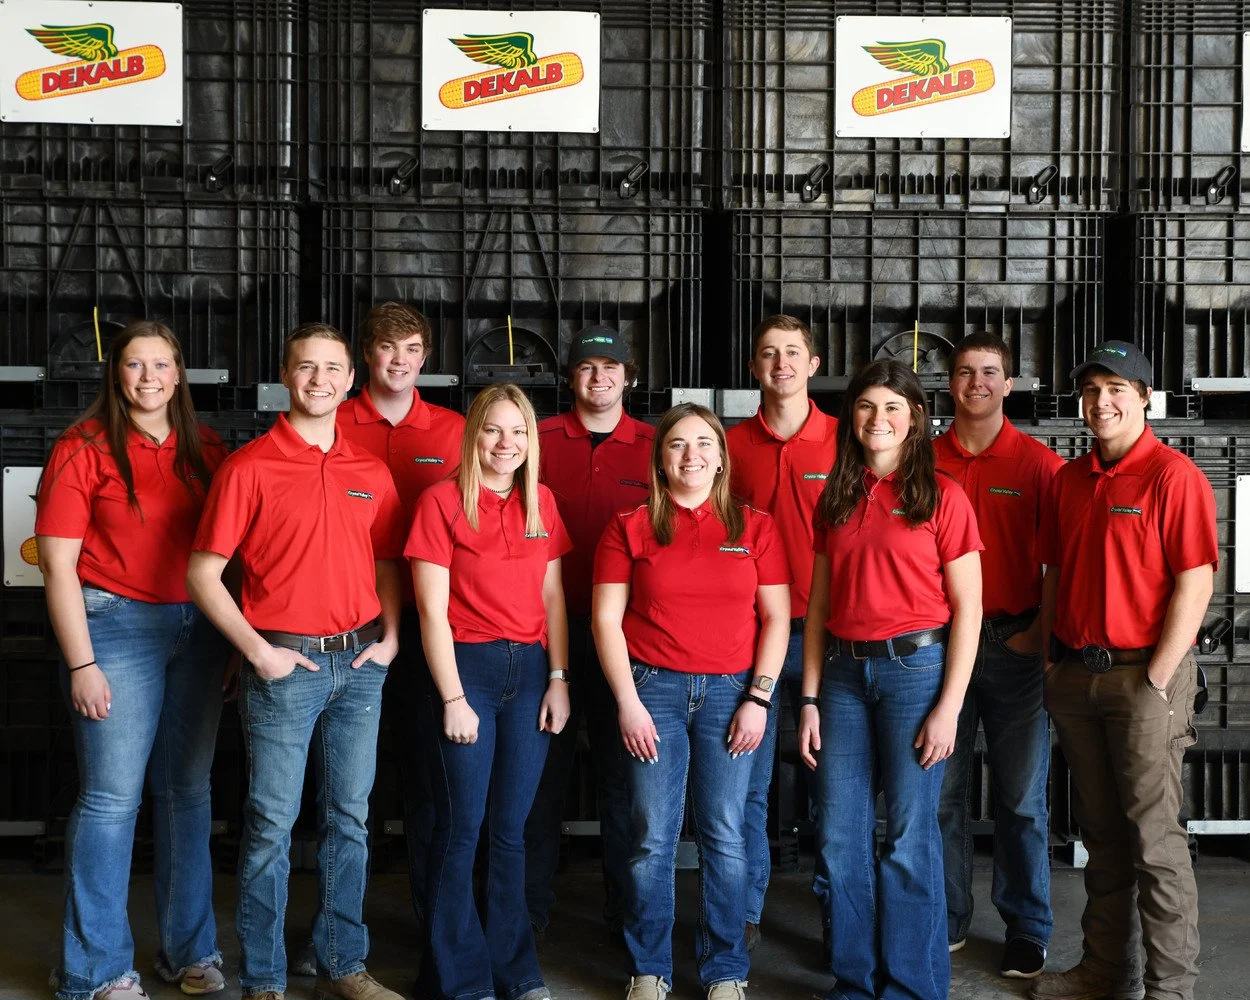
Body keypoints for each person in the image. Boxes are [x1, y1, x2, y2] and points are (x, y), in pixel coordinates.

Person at [186, 323, 406, 1000]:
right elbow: (202, 571)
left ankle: (345, 965)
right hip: (285, 666)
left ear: (350, 379)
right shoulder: (249, 467)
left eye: (333, 369)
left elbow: (387, 559)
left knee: (349, 820)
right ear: (288, 375)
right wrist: (256, 650)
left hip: (360, 664)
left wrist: (392, 637)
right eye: (307, 368)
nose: (320, 380)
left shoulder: (369, 469)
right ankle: (266, 979)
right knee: (271, 826)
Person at [37, 320, 231, 1000]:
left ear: (179, 374)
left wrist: (231, 641)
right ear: (115, 375)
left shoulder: (205, 447)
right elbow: (57, 568)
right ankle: (94, 970)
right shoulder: (81, 448)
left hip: (197, 633)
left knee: (188, 793)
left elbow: (226, 556)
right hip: (114, 630)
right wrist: (83, 663)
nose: (148, 378)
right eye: (134, 365)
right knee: (112, 799)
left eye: (161, 365)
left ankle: (190, 953)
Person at [1032, 342, 1215, 1000]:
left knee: (1155, 843)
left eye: (1115, 389)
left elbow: (1196, 580)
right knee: (1103, 836)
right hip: (1078, 677)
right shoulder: (1069, 480)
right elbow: (1053, 571)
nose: (1100, 402)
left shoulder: (1173, 476)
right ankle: (1106, 973)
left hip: (1144, 680)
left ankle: (1170, 991)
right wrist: (1052, 658)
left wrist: (1160, 677)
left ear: (1144, 398)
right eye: (1090, 391)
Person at [593, 402, 791, 1000]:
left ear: (721, 458)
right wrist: (627, 702)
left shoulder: (755, 527)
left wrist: (759, 698)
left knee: (726, 834)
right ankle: (648, 968)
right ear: (660, 458)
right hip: (652, 689)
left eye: (704, 443)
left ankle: (726, 969)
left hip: (734, 693)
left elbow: (777, 618)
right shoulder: (628, 525)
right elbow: (605, 620)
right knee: (652, 834)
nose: (691, 455)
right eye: (677, 444)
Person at [798, 359, 983, 1000]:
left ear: (915, 420)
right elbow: (818, 610)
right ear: (852, 417)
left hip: (917, 674)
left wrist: (949, 707)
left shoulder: (943, 497)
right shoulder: (838, 496)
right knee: (841, 837)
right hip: (844, 677)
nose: (879, 419)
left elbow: (971, 609)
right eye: (867, 407)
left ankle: (911, 987)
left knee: (908, 835)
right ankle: (855, 982)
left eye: (893, 408)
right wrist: (811, 697)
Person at [406, 383, 573, 1000]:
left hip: (530, 673)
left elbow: (553, 597)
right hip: (467, 670)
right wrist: (452, 697)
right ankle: (461, 979)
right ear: (473, 435)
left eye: (519, 432)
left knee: (512, 830)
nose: (506, 444)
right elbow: (431, 611)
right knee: (461, 828)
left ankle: (516, 972)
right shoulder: (441, 502)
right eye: (493, 430)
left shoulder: (542, 503)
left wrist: (559, 679)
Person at [934, 333, 1063, 978]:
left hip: (1013, 645)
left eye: (990, 372)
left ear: (1009, 385)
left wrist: (1038, 631)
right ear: (949, 382)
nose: (976, 382)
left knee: (1019, 797)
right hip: (939, 645)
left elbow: (1063, 561)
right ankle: (948, 918)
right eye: (964, 372)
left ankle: (1027, 927)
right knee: (943, 793)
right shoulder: (920, 460)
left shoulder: (1039, 465)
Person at [335, 302, 464, 937]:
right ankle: (339, 933)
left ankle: (430, 922)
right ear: (367, 353)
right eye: (387, 347)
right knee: (343, 788)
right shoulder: (329, 421)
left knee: (428, 778)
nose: (399, 360)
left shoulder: (453, 432)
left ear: (425, 357)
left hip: (429, 625)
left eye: (411, 349)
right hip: (344, 623)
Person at [525, 325, 654, 940]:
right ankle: (527, 914)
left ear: (628, 376)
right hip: (539, 633)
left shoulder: (657, 446)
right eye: (586, 368)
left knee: (624, 781)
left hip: (628, 642)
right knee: (537, 779)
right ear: (569, 377)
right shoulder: (537, 440)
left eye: (611, 367)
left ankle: (627, 918)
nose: (599, 378)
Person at [725, 314, 836, 954]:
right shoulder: (729, 446)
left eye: (793, 353)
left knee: (832, 788)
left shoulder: (846, 439)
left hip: (829, 636)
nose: (781, 364)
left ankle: (834, 915)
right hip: (750, 637)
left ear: (813, 364)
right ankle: (741, 914)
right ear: (754, 368)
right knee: (746, 787)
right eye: (768, 353)